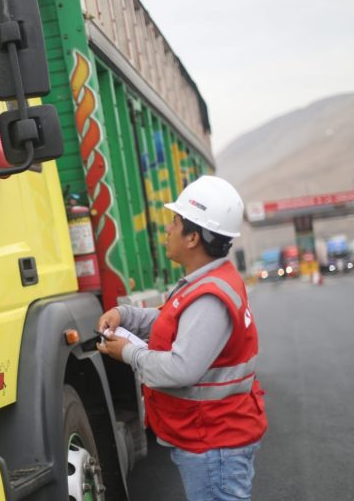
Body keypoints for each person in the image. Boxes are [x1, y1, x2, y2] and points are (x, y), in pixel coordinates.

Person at [96, 175, 267, 501]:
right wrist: (125, 315)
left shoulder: (208, 297)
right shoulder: (208, 282)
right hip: (212, 436)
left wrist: (130, 353)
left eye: (174, 222)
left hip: (214, 442)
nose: (167, 230)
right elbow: (169, 323)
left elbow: (180, 369)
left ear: (193, 238)